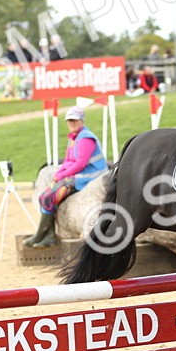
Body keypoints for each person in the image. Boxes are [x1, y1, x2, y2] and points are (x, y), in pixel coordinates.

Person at [25, 106, 108, 248]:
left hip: (90, 177)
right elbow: (69, 161)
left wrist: (63, 175)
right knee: (43, 197)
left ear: (81, 120)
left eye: (75, 120)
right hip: (79, 176)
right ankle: (49, 235)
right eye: (69, 120)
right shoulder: (74, 138)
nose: (72, 123)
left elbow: (81, 163)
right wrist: (58, 174)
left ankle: (41, 235)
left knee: (48, 197)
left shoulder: (86, 138)